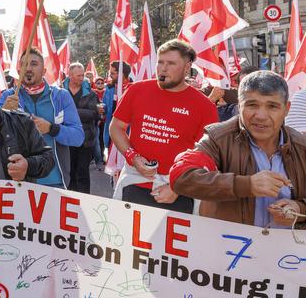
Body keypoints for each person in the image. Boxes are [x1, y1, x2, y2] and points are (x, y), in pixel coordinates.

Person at [171, 71, 306, 228]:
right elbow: (181, 176)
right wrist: (246, 185)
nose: (261, 115)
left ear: (286, 109)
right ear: (239, 105)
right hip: (227, 247)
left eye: (272, 106)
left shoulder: (301, 146)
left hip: (288, 250)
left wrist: (299, 209)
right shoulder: (218, 138)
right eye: (252, 105)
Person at [109, 39, 218, 213]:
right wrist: (133, 157)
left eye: (171, 63)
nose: (163, 68)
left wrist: (177, 188)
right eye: (160, 62)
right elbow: (116, 127)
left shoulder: (205, 106)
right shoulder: (137, 90)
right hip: (135, 181)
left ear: (187, 66)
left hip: (179, 191)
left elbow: (208, 155)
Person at [0, 48, 84, 188]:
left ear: (44, 71)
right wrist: (5, 112)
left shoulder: (61, 96)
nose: (28, 68)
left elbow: (78, 137)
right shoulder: (7, 97)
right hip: (18, 181)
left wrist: (51, 128)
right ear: (19, 72)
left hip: (55, 181)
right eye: (24, 64)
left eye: (33, 64)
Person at [63, 63, 100, 194]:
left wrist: (70, 112)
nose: (82, 78)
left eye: (83, 75)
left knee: (82, 172)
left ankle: (84, 200)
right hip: (66, 139)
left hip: (85, 139)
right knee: (69, 171)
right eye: (78, 75)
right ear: (70, 75)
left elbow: (94, 114)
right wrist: (81, 113)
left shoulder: (90, 93)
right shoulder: (59, 92)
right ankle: (69, 200)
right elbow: (56, 113)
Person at [101, 61, 132, 150]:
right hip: (111, 132)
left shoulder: (133, 87)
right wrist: (101, 110)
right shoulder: (109, 87)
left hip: (127, 133)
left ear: (122, 74)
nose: (110, 76)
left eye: (112, 73)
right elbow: (104, 105)